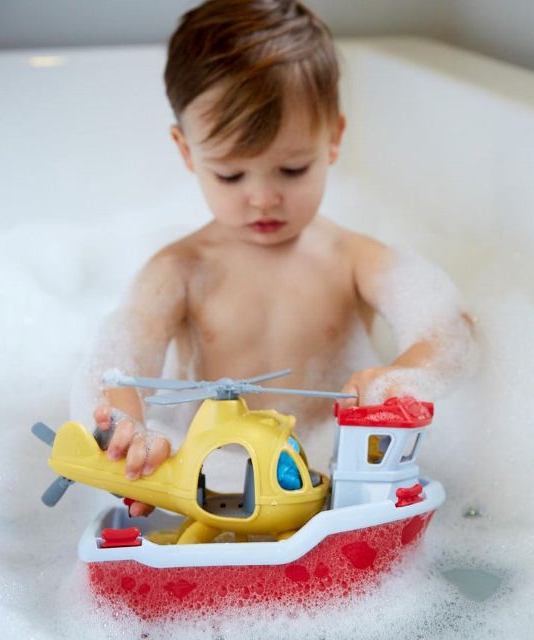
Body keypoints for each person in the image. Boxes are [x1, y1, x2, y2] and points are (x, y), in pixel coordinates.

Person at [85, 0, 475, 517]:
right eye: (231, 175)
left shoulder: (353, 259)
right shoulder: (179, 270)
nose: (264, 198)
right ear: (186, 151)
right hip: (209, 490)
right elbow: (120, 371)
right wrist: (128, 434)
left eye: (292, 170)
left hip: (329, 487)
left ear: (333, 139)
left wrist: (400, 379)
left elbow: (449, 333)